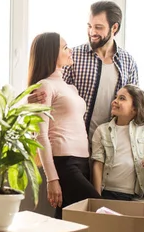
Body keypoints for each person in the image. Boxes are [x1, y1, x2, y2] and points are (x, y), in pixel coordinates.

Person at [29, 1, 139, 141]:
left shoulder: (128, 62)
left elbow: (135, 106)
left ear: (114, 28)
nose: (92, 32)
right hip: (73, 144)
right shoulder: (72, 57)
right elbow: (49, 94)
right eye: (89, 26)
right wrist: (29, 101)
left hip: (111, 146)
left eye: (98, 27)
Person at [28, 32, 101, 219]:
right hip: (64, 161)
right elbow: (41, 135)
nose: (70, 51)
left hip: (83, 160)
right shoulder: (44, 86)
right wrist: (52, 179)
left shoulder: (70, 88)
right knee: (99, 211)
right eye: (65, 47)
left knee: (68, 221)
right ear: (52, 54)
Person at [91, 84, 144, 200]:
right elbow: (98, 164)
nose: (115, 101)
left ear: (135, 108)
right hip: (106, 192)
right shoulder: (102, 130)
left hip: (131, 194)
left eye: (122, 98)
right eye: (116, 97)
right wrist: (96, 197)